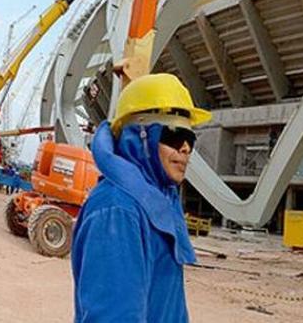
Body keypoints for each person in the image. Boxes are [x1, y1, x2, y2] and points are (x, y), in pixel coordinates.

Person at [72, 73, 211, 322]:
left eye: (190, 139)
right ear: (140, 137)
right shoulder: (117, 210)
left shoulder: (156, 200)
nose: (186, 149)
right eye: (173, 136)